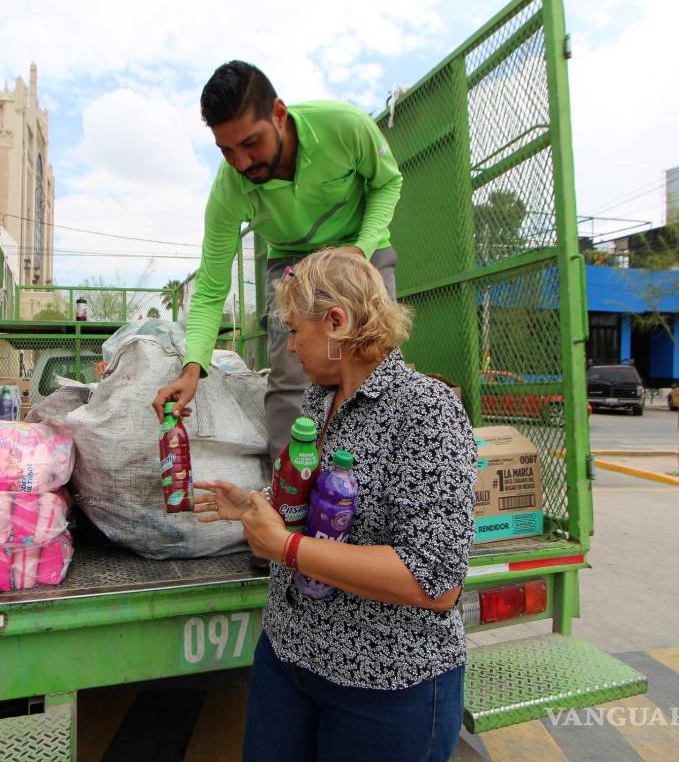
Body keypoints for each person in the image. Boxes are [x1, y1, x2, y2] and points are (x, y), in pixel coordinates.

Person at [194, 249, 476, 762]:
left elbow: (435, 582)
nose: (290, 345)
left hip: (383, 684)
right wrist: (260, 506)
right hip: (290, 654)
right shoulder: (320, 398)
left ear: (337, 322)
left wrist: (286, 547)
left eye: (294, 330)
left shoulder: (426, 411)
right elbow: (323, 508)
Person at [152, 60, 403, 463]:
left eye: (251, 143)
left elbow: (388, 182)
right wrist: (192, 368)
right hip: (292, 265)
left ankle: (380, 478)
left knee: (377, 368)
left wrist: (361, 249)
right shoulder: (229, 190)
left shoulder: (344, 126)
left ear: (279, 114)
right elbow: (212, 287)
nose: (242, 163)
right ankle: (286, 491)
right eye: (227, 150)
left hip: (362, 252)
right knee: (291, 376)